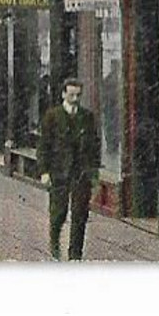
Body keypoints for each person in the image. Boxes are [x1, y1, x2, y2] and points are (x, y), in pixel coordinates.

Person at [39, 76, 103, 261]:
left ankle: (75, 253)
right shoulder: (52, 116)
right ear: (63, 94)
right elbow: (44, 145)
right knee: (58, 212)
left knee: (79, 214)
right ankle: (54, 244)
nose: (75, 99)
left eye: (78, 95)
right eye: (71, 95)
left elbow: (94, 146)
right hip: (59, 171)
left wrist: (94, 172)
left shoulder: (87, 117)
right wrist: (44, 171)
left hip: (80, 173)